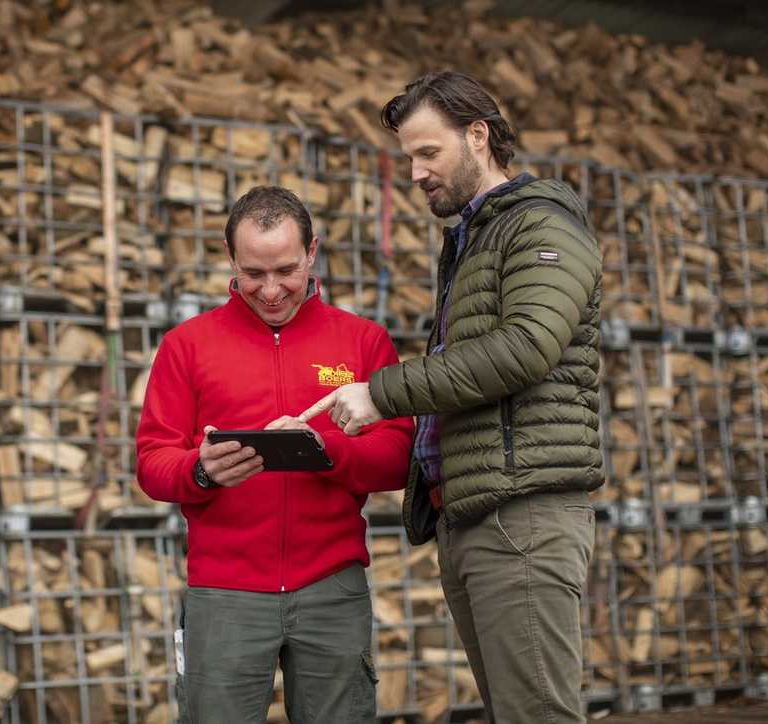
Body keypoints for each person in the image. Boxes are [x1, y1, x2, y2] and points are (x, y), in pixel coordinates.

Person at [300, 72, 604, 723]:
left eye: (428, 152)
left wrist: (383, 394)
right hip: (474, 513)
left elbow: (526, 347)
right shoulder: (475, 240)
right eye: (408, 157)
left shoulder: (540, 226)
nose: (414, 172)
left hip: (522, 514)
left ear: (477, 135)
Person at [136, 185, 413, 724]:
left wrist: (324, 450)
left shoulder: (363, 341)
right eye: (253, 273)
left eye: (286, 270)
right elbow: (151, 460)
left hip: (332, 586)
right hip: (224, 591)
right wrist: (200, 469)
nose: (269, 290)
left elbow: (399, 456)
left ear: (312, 252)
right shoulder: (186, 346)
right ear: (229, 258)